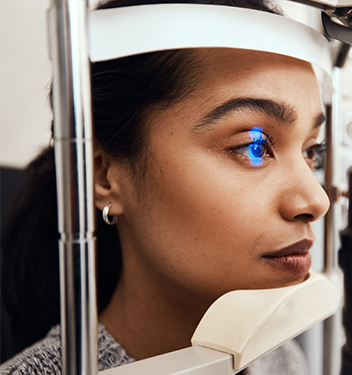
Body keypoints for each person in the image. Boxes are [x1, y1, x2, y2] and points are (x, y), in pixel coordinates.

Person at [0, 0, 330, 373]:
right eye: (253, 147)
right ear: (103, 176)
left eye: (311, 151)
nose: (316, 200)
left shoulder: (279, 358)